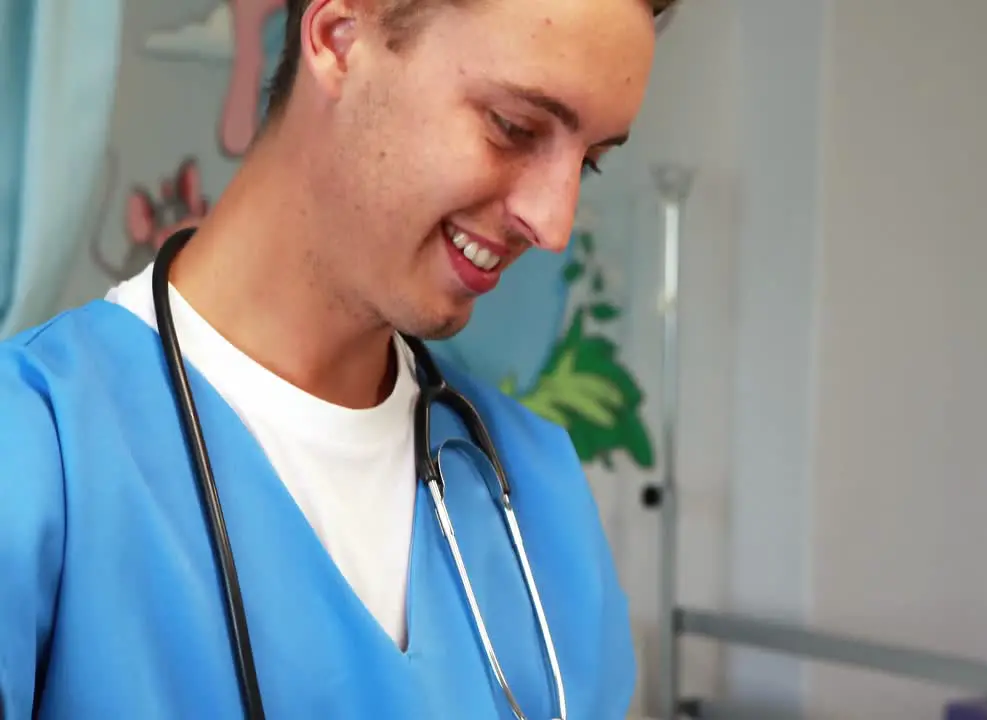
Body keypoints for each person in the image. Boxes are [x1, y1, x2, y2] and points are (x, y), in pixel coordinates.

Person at [0, 0, 668, 717]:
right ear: (338, 37)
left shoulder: (537, 493)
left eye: (590, 163)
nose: (554, 222)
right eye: (515, 128)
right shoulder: (39, 454)